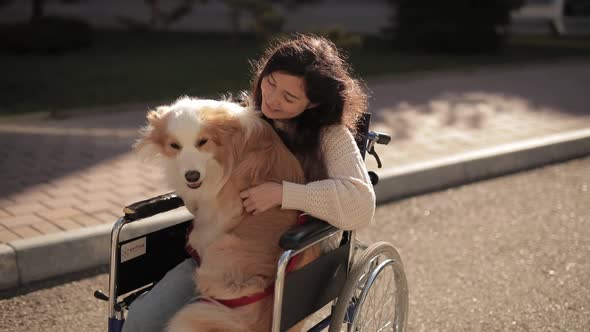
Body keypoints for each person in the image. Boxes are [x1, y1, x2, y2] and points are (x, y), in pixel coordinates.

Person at [123, 33, 376, 332]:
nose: (272, 99)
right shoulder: (237, 118)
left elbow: (361, 205)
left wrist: (285, 194)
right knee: (141, 320)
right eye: (270, 83)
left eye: (289, 97)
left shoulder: (330, 136)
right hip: (216, 249)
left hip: (287, 259)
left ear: (313, 103)